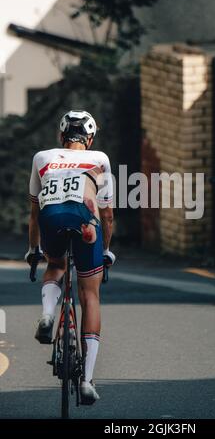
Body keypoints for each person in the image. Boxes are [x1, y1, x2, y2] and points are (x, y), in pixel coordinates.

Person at [25, 110, 115, 404]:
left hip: (51, 217)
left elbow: (34, 212)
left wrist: (33, 250)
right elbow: (108, 215)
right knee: (90, 294)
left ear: (61, 136)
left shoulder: (42, 158)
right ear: (89, 139)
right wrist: (105, 251)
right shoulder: (100, 160)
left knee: (55, 264)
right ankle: (87, 380)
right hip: (85, 219)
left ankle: (48, 315)